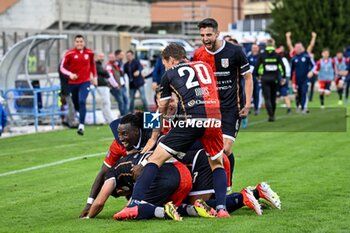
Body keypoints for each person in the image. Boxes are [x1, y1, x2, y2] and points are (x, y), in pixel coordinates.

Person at [115, 43, 230, 219]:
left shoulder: (169, 76)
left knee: (155, 160)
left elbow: (162, 106)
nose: (165, 67)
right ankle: (222, 208)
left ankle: (134, 203)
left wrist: (154, 135)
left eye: (165, 63)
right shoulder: (204, 66)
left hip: (191, 126)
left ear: (171, 60)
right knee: (217, 163)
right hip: (214, 119)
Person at [192, 18, 253, 187]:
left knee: (225, 149)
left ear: (218, 34)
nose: (205, 38)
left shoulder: (235, 52)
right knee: (209, 150)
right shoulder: (198, 54)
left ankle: (227, 186)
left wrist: (247, 104)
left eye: (209, 35)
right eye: (202, 35)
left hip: (231, 108)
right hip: (208, 109)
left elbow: (248, 77)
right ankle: (211, 187)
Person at [79, 112, 152, 218]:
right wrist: (89, 203)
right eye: (119, 134)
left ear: (136, 131)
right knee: (114, 177)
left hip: (166, 166)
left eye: (125, 134)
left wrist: (143, 164)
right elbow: (103, 172)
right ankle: (134, 199)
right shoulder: (118, 144)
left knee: (139, 169)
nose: (121, 139)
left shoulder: (151, 133)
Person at [86, 150, 191, 221]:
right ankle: (192, 209)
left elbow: (99, 203)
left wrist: (88, 217)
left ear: (119, 190)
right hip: (184, 173)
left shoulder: (112, 173)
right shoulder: (127, 160)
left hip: (167, 177)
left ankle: (164, 212)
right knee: (165, 204)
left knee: (129, 212)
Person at [60, 35, 97, 135]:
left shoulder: (89, 53)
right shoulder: (69, 54)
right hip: (73, 83)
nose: (79, 43)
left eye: (81, 41)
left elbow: (93, 65)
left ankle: (81, 126)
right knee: (76, 103)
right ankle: (78, 114)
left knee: (82, 101)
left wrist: (95, 77)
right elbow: (62, 67)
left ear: (84, 42)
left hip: (85, 82)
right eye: (77, 42)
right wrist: (70, 74)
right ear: (74, 43)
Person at [255, 39, 285, 122]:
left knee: (267, 98)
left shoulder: (262, 55)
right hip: (275, 79)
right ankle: (273, 114)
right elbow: (282, 67)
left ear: (266, 45)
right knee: (273, 98)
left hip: (265, 79)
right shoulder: (277, 55)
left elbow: (257, 66)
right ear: (273, 44)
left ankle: (271, 115)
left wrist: (257, 75)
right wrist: (283, 77)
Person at [290, 43, 314, 113]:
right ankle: (298, 106)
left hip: (305, 79)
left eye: (299, 47)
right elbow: (292, 70)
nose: (298, 49)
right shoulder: (294, 58)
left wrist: (311, 72)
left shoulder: (307, 57)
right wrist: (291, 80)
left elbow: (313, 66)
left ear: (302, 48)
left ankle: (304, 108)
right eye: (296, 47)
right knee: (298, 94)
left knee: (304, 92)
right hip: (297, 79)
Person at [95, 52, 115, 124]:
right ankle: (109, 119)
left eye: (102, 56)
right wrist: (106, 73)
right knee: (106, 103)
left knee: (106, 103)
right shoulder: (96, 65)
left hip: (104, 86)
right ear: (96, 57)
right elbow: (105, 73)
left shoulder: (100, 65)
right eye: (100, 56)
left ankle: (107, 118)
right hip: (101, 86)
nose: (101, 58)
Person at [109, 50, 128, 116]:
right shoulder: (112, 64)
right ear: (117, 56)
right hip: (117, 86)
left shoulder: (121, 63)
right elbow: (111, 76)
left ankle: (125, 115)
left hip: (122, 84)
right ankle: (123, 115)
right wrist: (115, 85)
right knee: (121, 101)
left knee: (126, 100)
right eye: (121, 55)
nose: (123, 56)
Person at [247, 43, 261, 115]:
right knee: (249, 94)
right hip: (250, 78)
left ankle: (256, 109)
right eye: (253, 47)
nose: (255, 49)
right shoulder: (249, 57)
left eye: (256, 47)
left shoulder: (260, 57)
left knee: (256, 93)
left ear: (258, 48)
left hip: (257, 78)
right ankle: (248, 108)